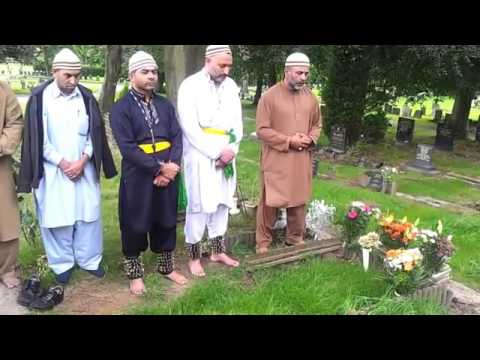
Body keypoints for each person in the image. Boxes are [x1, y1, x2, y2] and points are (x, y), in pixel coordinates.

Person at [18, 48, 117, 285]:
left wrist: (83, 160)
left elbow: (94, 132)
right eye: (67, 76)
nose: (73, 81)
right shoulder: (39, 98)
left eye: (77, 75)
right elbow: (36, 139)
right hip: (53, 169)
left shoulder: (86, 96)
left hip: (84, 166)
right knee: (56, 216)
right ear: (54, 72)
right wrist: (63, 164)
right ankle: (61, 263)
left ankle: (89, 260)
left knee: (88, 216)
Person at [110, 51, 188, 295]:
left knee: (166, 221)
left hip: (168, 174)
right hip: (138, 175)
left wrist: (171, 169)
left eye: (154, 72)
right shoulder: (120, 108)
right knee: (134, 223)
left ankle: (166, 268)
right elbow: (127, 148)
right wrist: (158, 168)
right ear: (132, 74)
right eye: (145, 72)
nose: (152, 76)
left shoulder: (165, 104)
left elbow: (177, 135)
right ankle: (135, 274)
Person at [177, 45, 242, 277]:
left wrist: (232, 149)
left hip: (227, 152)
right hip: (200, 154)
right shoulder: (190, 85)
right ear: (207, 60)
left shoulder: (231, 86)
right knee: (200, 204)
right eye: (221, 65)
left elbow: (238, 123)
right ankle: (194, 257)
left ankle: (217, 251)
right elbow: (189, 126)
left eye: (229, 66)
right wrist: (216, 153)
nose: (226, 70)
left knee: (223, 202)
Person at [255, 52, 322, 254]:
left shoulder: (311, 97)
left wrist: (310, 139)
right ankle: (263, 242)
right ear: (287, 71)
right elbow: (262, 130)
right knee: (270, 201)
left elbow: (317, 124)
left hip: (301, 158)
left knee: (299, 198)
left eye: (306, 73)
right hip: (276, 158)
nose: (304, 77)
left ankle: (294, 237)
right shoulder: (269, 97)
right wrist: (288, 141)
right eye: (299, 73)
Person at [0, 81, 23, 288]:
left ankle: (7, 269)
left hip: (0, 165)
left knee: (6, 220)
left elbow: (15, 122)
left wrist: (3, 145)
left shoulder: (3, 90)